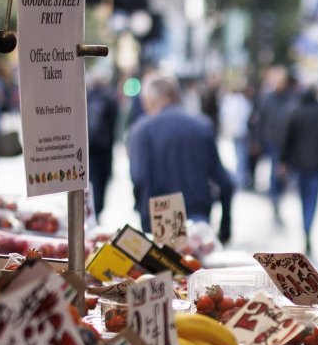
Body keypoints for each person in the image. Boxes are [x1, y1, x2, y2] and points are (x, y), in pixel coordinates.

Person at [127, 75, 235, 242]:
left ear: (150, 99)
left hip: (161, 217)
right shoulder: (201, 125)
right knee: (197, 265)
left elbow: (140, 178)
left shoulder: (142, 130)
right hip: (198, 214)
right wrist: (225, 224)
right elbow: (224, 180)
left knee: (169, 267)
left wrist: (145, 219)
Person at [278, 86, 318, 254]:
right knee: (312, 198)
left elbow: (287, 139)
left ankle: (306, 227)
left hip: (299, 163)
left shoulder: (296, 112)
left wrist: (283, 161)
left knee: (303, 197)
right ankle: (308, 227)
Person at [252, 67, 298, 222]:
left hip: (287, 141)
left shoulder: (291, 99)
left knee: (284, 172)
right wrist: (258, 140)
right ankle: (275, 198)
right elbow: (261, 120)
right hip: (273, 140)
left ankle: (278, 195)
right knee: (275, 170)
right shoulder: (268, 99)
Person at [86, 75, 120, 220]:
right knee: (102, 182)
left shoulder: (86, 98)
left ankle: (93, 213)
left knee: (92, 183)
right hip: (105, 150)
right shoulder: (110, 99)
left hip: (90, 150)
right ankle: (97, 211)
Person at [219, 83, 254, 190]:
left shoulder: (230, 101)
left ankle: (240, 178)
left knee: (239, 155)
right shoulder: (241, 102)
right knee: (240, 155)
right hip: (240, 131)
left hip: (237, 131)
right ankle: (240, 178)